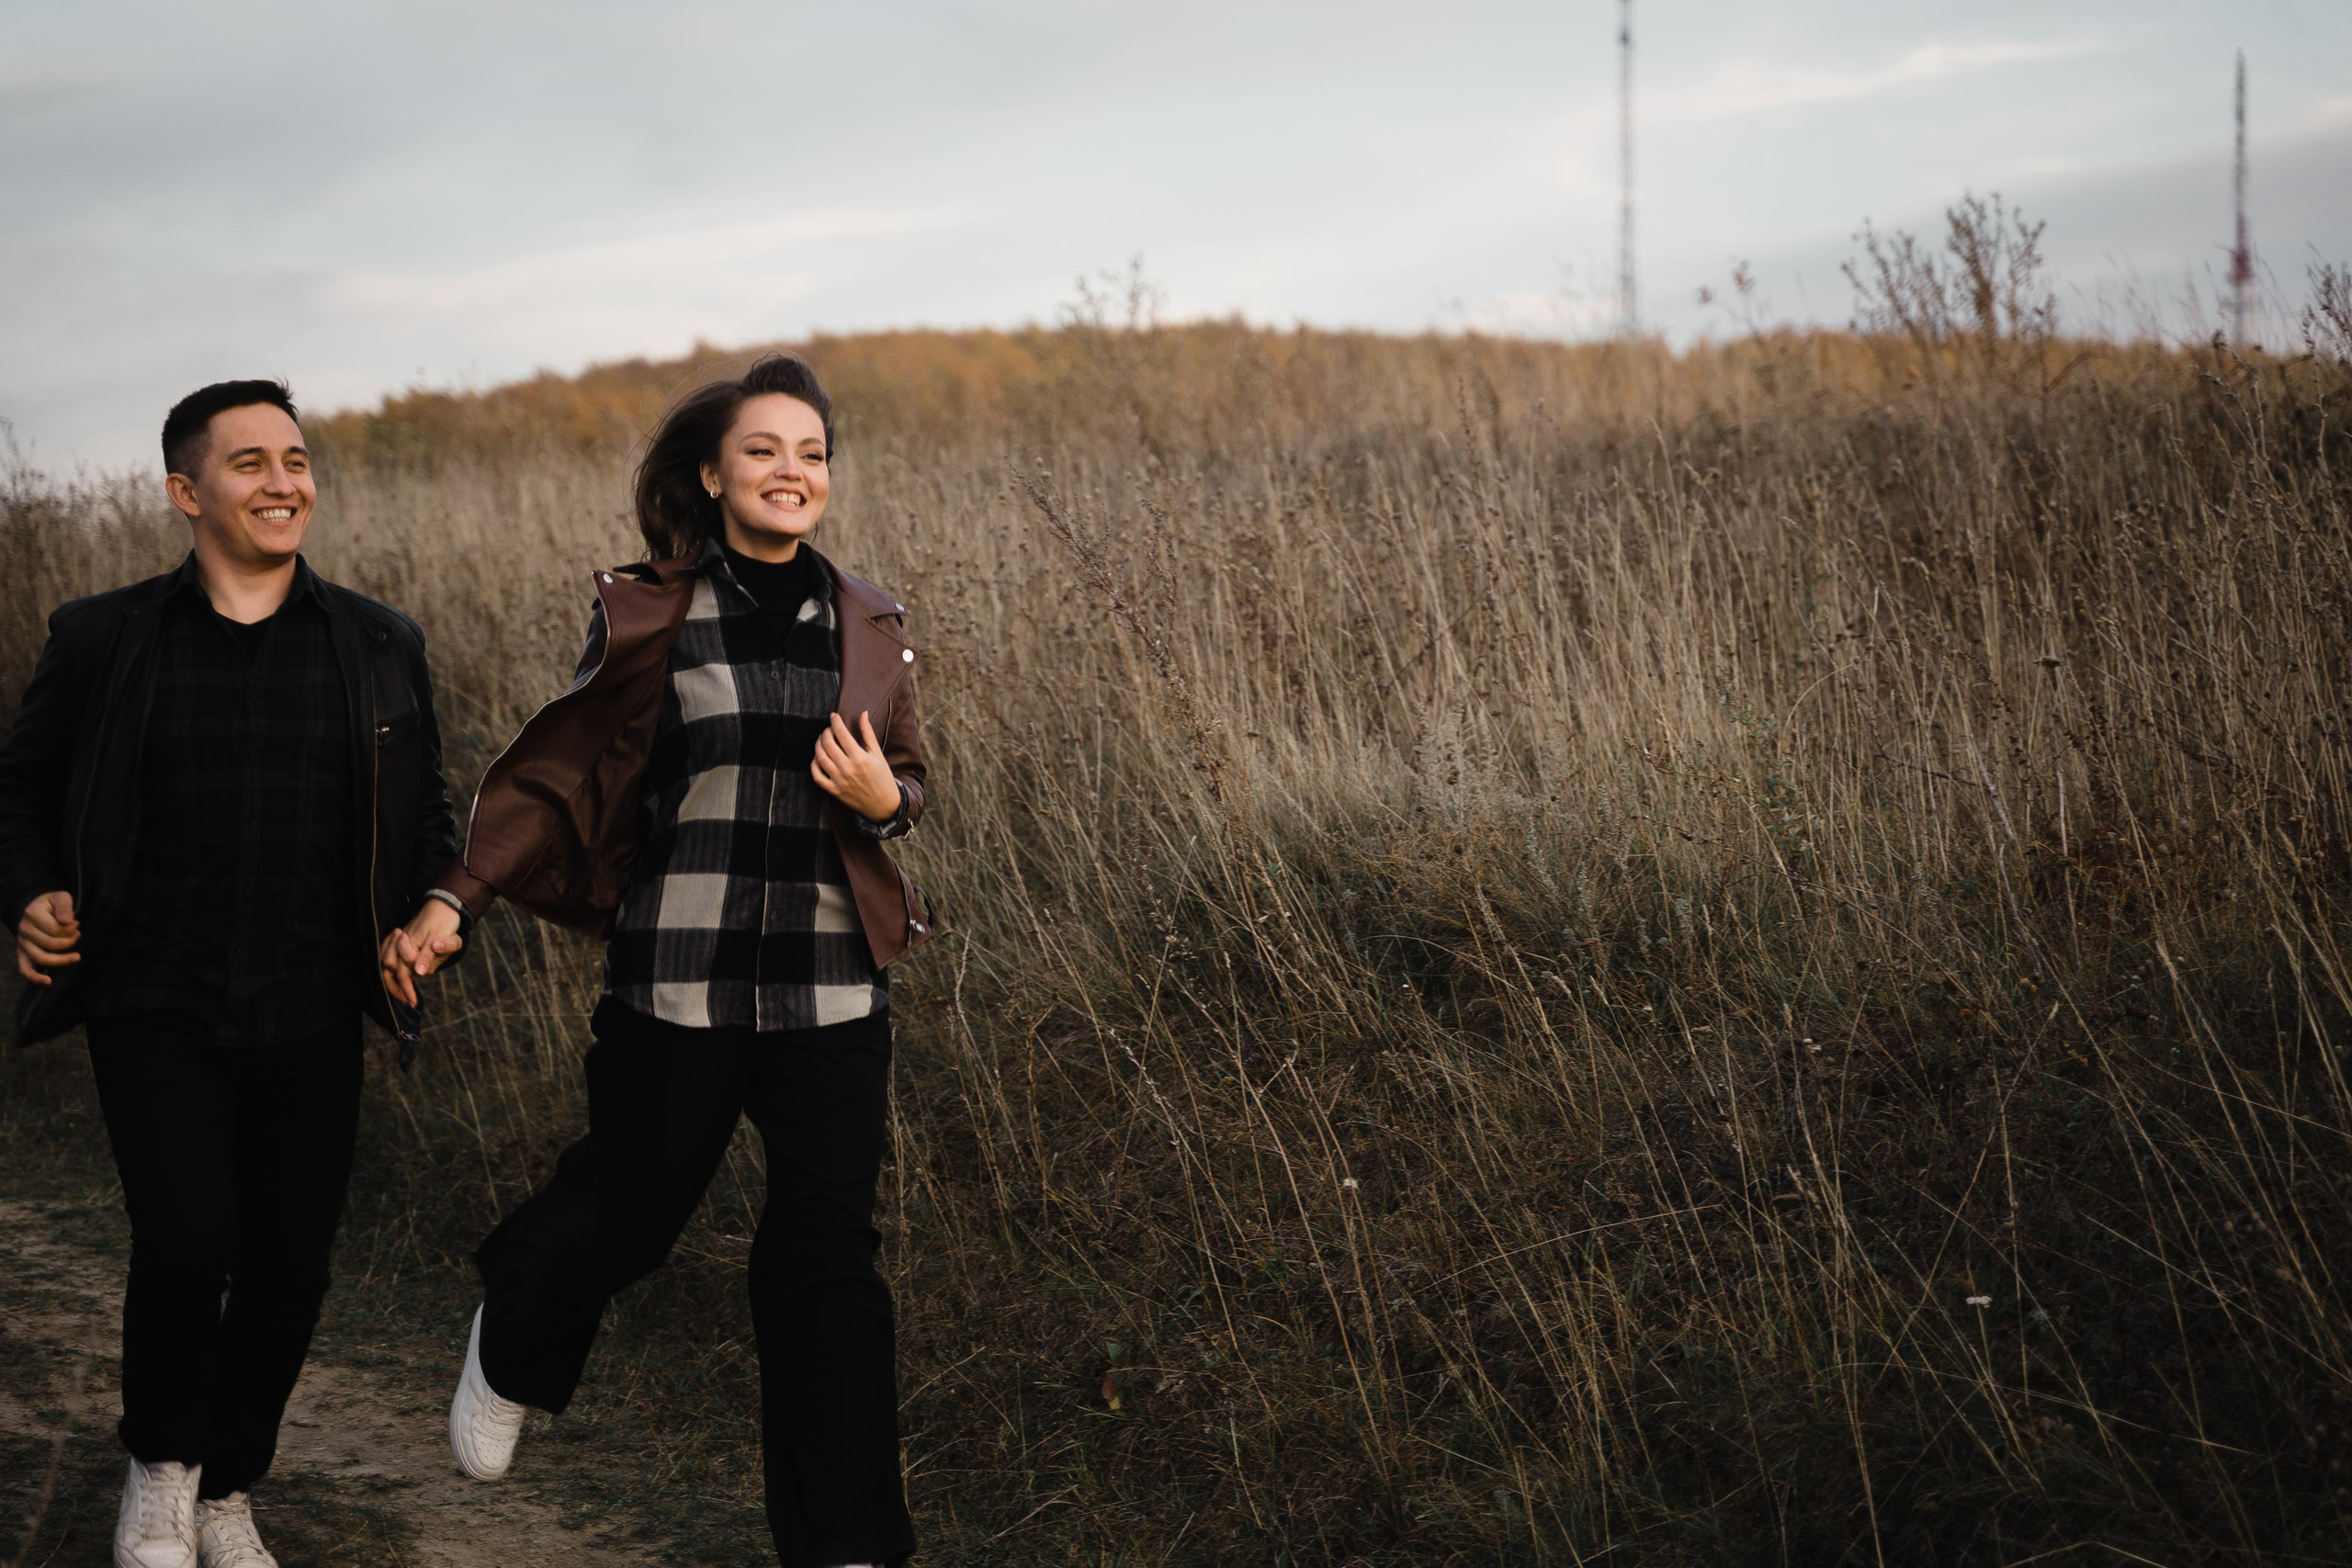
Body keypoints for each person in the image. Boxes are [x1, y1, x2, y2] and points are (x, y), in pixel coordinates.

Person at [386, 353, 934, 1568]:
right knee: (630, 1216)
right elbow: (560, 772)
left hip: (832, 984)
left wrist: (882, 796)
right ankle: (516, 1335)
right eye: (764, 451)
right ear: (713, 474)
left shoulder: (872, 619)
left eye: (812, 454)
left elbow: (910, 788)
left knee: (829, 1260)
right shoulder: (652, 613)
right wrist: (453, 896)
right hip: (677, 976)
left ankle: (849, 1546)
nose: (792, 472)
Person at [0, 379, 464, 1568]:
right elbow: (18, 790)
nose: (283, 482)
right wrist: (32, 891)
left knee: (292, 1265)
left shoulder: (377, 643)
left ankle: (226, 1489)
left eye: (297, 459)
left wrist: (437, 910)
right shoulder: (103, 638)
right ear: (186, 492)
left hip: (315, 999)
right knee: (186, 1241)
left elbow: (430, 822)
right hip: (154, 992)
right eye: (250, 462)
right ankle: (159, 1474)